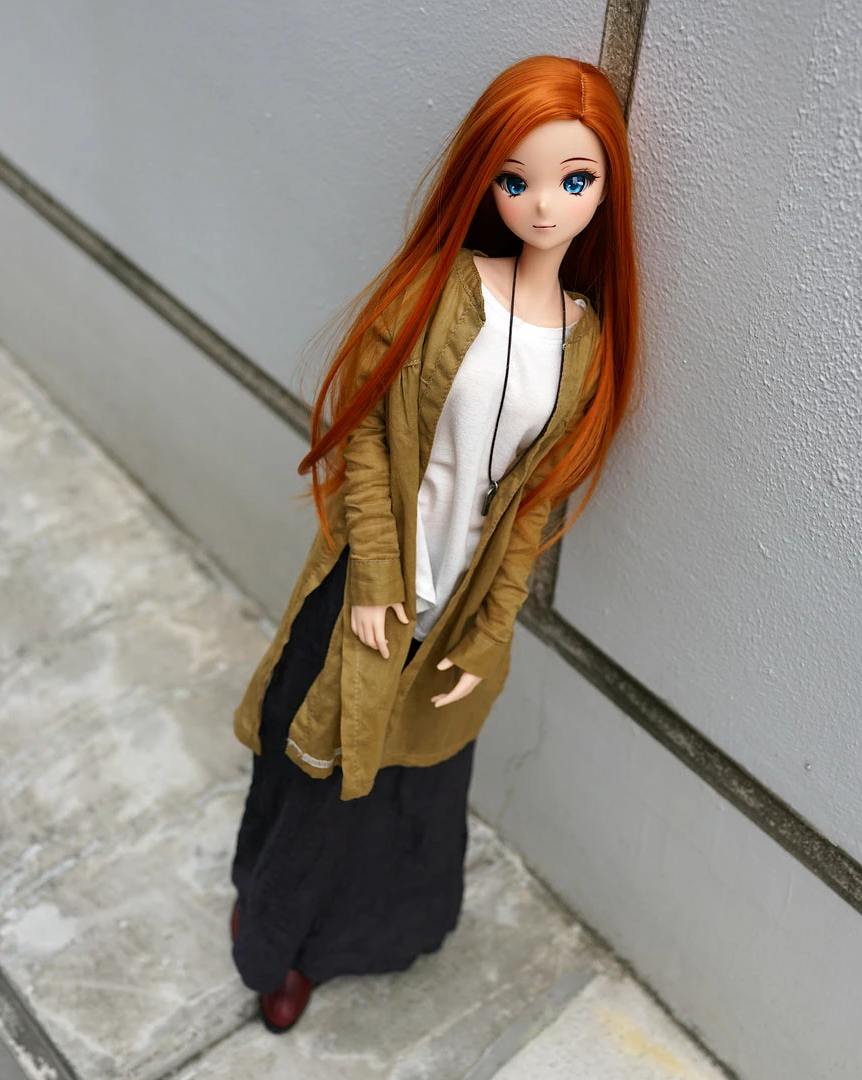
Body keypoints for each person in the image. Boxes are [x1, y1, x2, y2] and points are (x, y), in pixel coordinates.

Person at [228, 54, 641, 1034]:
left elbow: (529, 511)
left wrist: (490, 634)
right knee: (317, 762)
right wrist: (377, 578)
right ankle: (274, 942)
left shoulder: (584, 342)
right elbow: (369, 438)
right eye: (518, 180)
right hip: (371, 592)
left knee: (411, 792)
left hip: (454, 611)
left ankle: (362, 938)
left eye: (575, 180)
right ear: (485, 181)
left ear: (605, 191)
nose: (546, 204)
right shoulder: (441, 289)